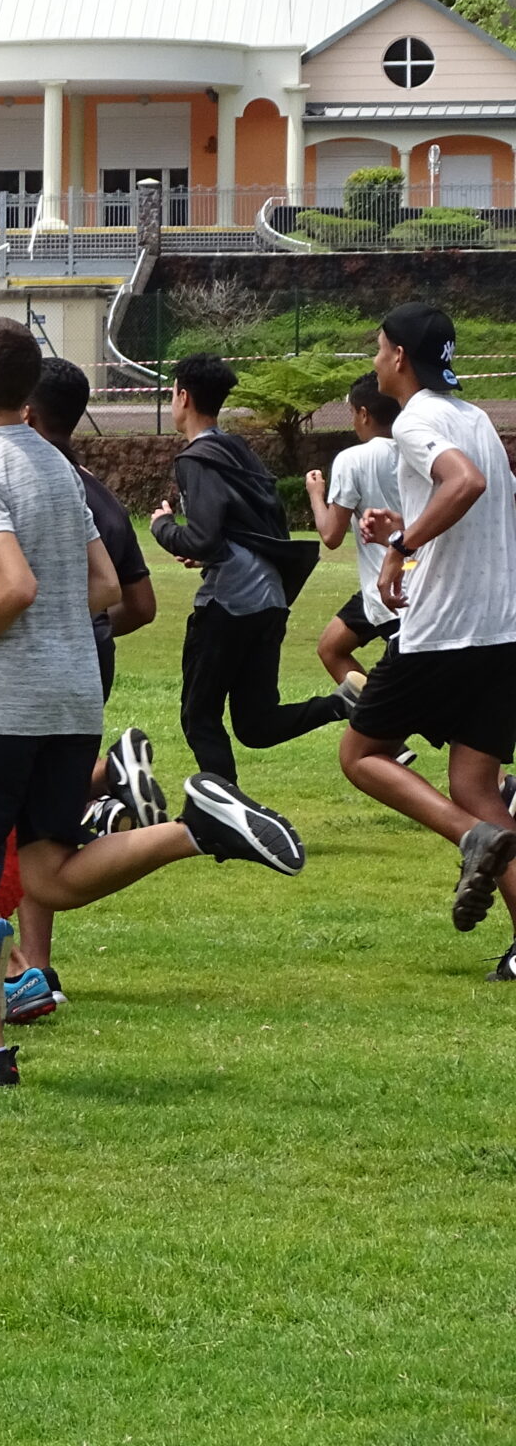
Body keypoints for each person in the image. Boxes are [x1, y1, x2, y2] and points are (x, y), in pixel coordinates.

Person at [0, 319, 307, 1089]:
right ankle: (195, 830)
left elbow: (18, 586)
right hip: (73, 692)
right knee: (51, 871)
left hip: (2, 698)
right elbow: (97, 589)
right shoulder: (58, 469)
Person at [333, 303, 516, 969]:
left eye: (379, 349)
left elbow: (461, 484)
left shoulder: (413, 419)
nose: (375, 360)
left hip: (444, 629)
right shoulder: (473, 419)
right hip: (500, 628)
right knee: (478, 785)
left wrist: (405, 541)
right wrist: (402, 534)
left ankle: (471, 839)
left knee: (360, 754)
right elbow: (488, 494)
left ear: (400, 358)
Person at [14, 355, 167, 1009]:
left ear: (25, 412)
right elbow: (139, 604)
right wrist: (92, 631)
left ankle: (27, 966)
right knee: (43, 806)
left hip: (28, 661)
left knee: (19, 815)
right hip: (90, 660)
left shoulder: (21, 482)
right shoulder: (97, 491)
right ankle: (107, 778)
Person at [151, 352, 351, 783]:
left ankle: (225, 816)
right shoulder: (238, 449)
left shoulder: (195, 459)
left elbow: (203, 536)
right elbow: (245, 527)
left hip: (229, 600)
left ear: (183, 397)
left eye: (172, 394)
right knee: (256, 723)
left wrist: (163, 527)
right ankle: (342, 704)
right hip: (271, 596)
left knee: (199, 715)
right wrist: (205, 551)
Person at [305, 374, 404, 689]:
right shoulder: (419, 451)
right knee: (331, 646)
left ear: (364, 414)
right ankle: (378, 727)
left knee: (424, 702)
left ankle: (378, 726)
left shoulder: (353, 459)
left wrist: (316, 495)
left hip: (387, 588)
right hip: (412, 581)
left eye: (352, 413)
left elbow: (331, 536)